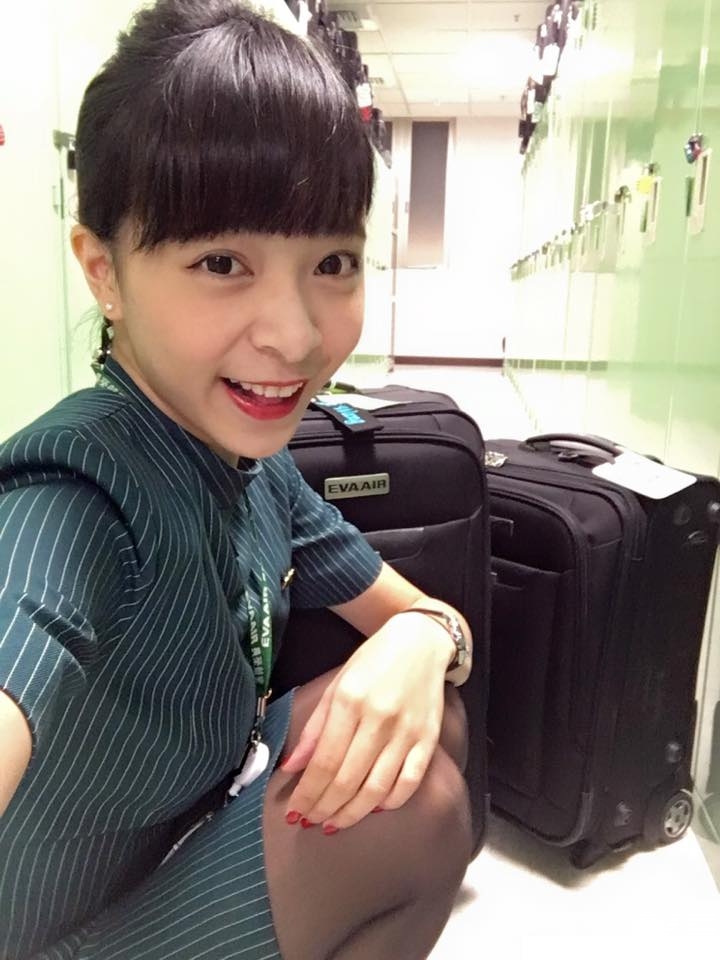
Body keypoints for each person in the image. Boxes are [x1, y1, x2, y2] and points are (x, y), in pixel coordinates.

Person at [0, 2, 473, 957]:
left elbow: (426, 617)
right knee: (414, 809)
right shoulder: (72, 494)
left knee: (430, 728)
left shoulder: (250, 463)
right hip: (62, 934)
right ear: (103, 271)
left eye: (332, 262)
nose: (295, 337)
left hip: (176, 837)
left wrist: (424, 640)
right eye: (222, 262)